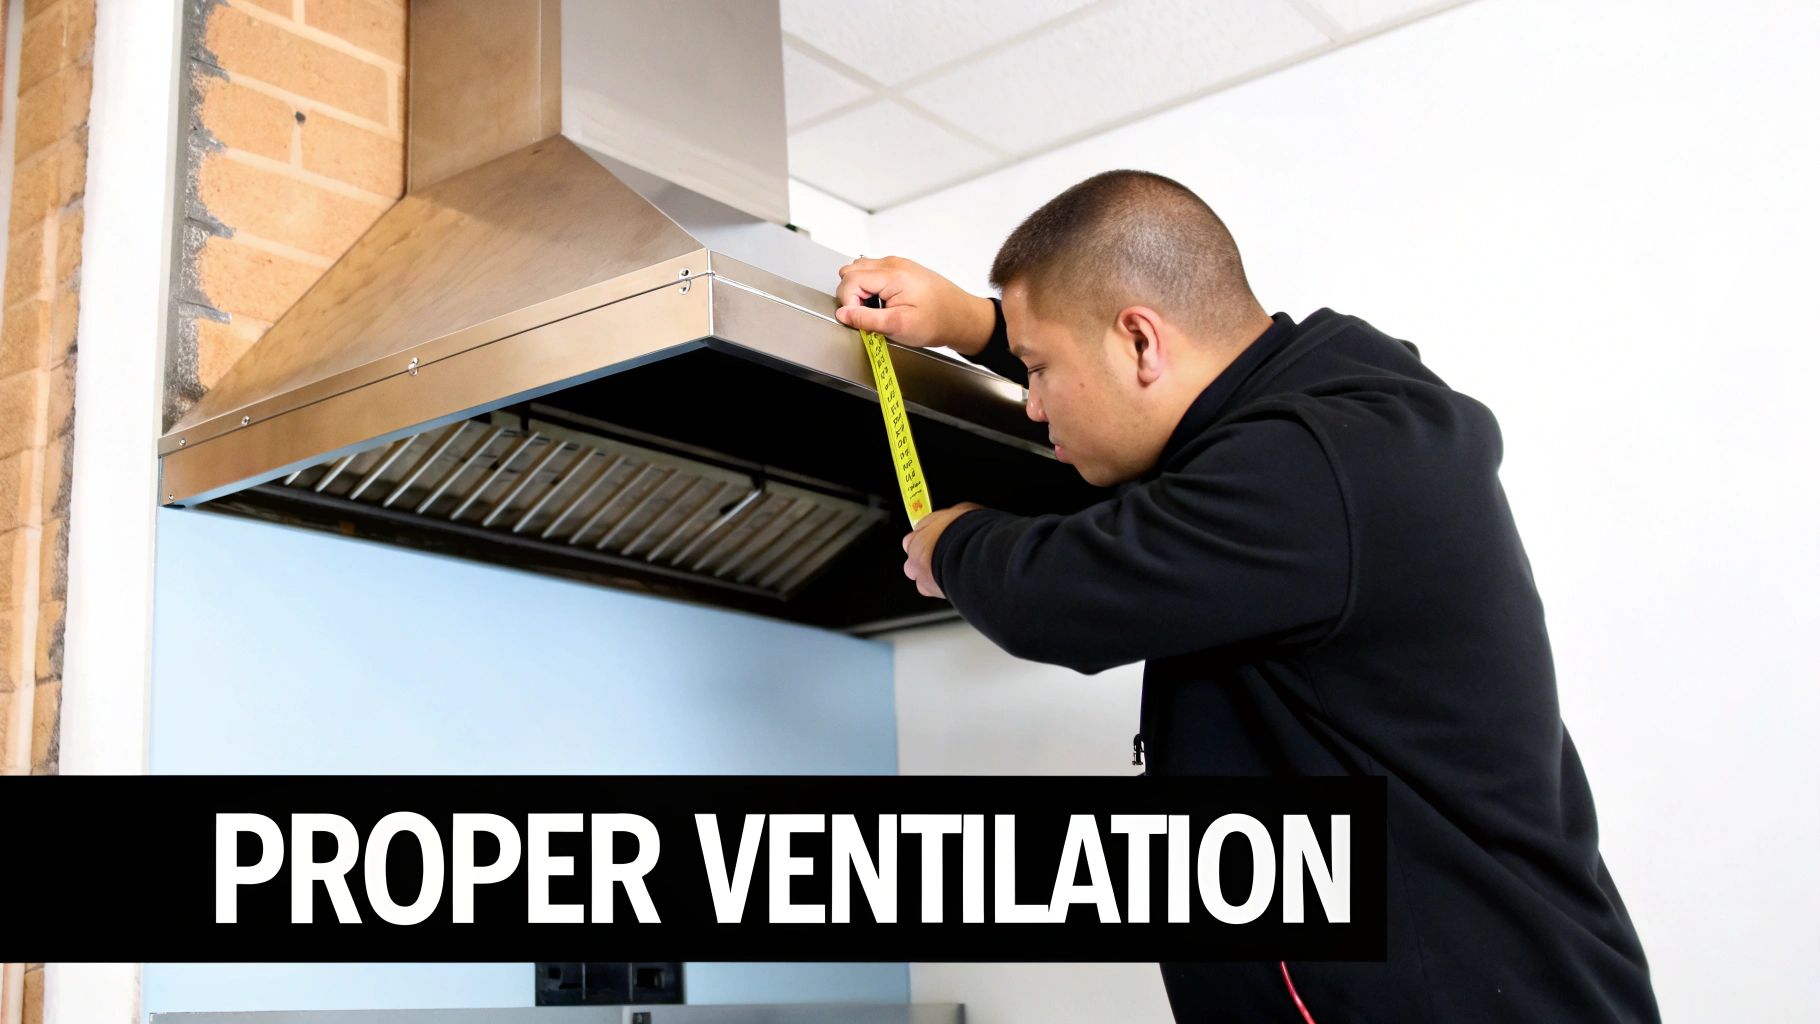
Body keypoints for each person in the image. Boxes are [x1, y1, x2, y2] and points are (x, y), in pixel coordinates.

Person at [833, 170, 1660, 1023]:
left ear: (1143, 343)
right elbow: (1115, 340)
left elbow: (1056, 596)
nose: (1034, 405)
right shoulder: (1338, 405)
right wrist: (978, 322)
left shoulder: (1318, 468)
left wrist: (955, 540)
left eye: (1040, 371)